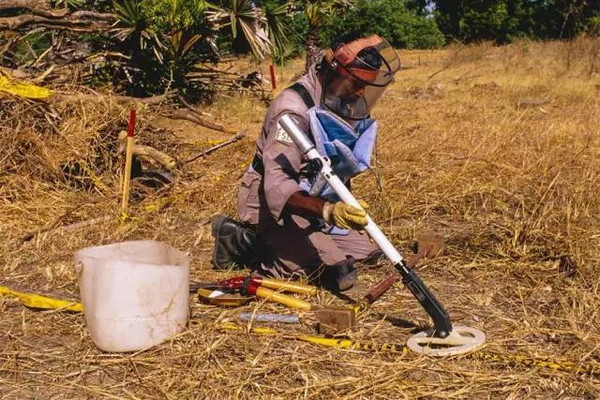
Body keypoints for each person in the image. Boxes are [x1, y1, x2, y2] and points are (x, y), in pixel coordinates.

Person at [212, 32, 401, 292]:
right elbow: (277, 185)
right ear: (333, 71)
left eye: (364, 86)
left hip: (311, 201)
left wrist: (338, 207)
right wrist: (328, 211)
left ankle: (300, 239)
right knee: (335, 273)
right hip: (272, 204)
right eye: (355, 83)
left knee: (367, 253)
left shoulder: (335, 98)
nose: (359, 93)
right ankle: (241, 242)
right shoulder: (291, 110)